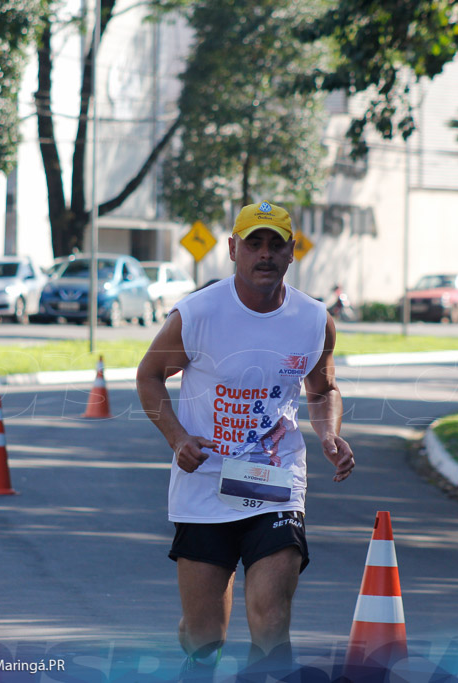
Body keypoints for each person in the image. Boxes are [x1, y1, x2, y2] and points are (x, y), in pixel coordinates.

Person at [136, 201, 355, 679]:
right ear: (233, 249)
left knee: (270, 615)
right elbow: (149, 376)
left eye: (276, 244)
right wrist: (177, 439)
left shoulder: (315, 320)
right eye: (253, 243)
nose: (265, 254)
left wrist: (329, 433)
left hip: (274, 483)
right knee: (205, 638)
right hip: (205, 484)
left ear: (292, 252)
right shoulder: (197, 314)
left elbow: (323, 390)